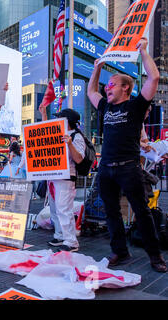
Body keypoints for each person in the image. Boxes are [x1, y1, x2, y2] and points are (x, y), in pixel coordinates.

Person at [87, 37, 166, 272]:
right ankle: (120, 252)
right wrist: (97, 68)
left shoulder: (135, 106)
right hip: (106, 169)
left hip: (129, 168)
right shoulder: (106, 107)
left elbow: (154, 78)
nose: (106, 87)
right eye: (107, 84)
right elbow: (91, 90)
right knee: (111, 213)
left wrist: (143, 50)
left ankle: (155, 257)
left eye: (112, 84)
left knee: (142, 213)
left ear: (126, 88)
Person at [39, 105, 86, 252]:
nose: (56, 119)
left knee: (64, 209)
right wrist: (43, 114)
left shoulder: (76, 136)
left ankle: (71, 241)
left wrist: (70, 144)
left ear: (67, 121)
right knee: (54, 208)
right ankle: (60, 235)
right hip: (53, 176)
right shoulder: (57, 133)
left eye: (59, 117)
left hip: (66, 177)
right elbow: (42, 131)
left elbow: (79, 159)